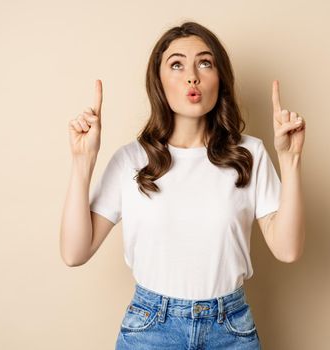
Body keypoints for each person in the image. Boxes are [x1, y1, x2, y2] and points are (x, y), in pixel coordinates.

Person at [60, 21, 306, 350]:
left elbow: (287, 250)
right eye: (176, 64)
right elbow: (74, 252)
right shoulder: (131, 160)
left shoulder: (249, 154)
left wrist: (289, 160)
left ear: (220, 79)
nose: (192, 76)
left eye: (205, 63)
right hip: (150, 328)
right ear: (158, 82)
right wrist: (82, 161)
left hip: (230, 329)